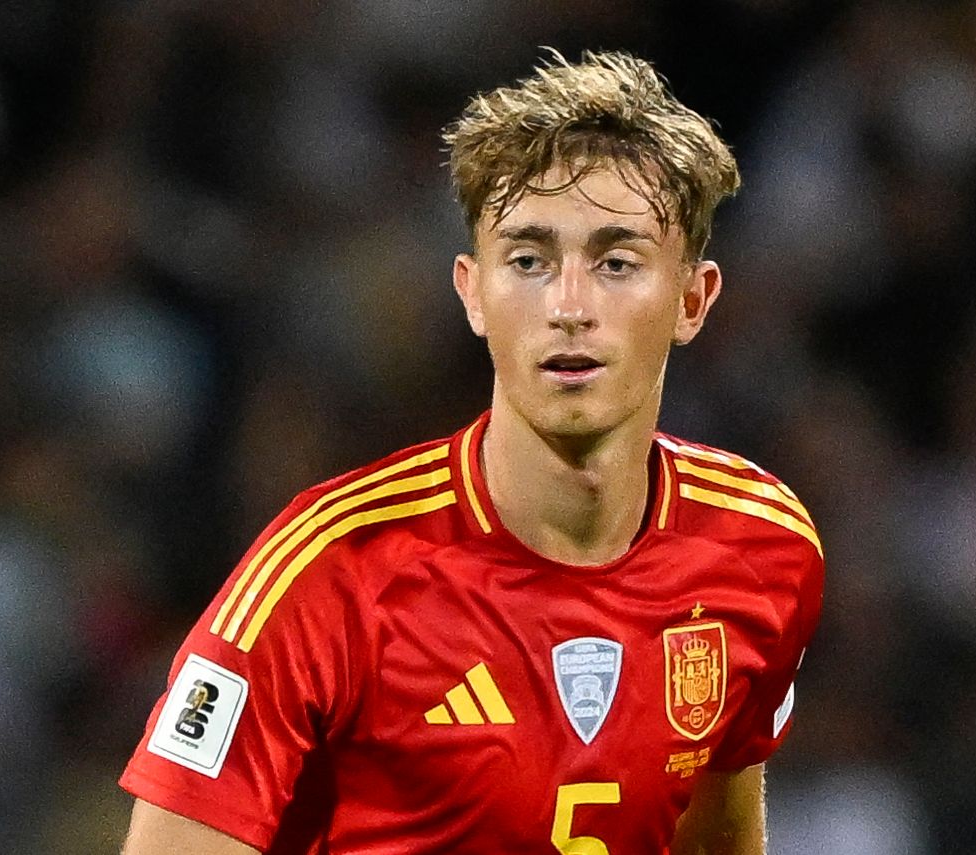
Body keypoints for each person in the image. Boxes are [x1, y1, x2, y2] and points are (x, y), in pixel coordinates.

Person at [118, 49, 825, 855]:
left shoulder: (761, 549)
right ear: (473, 292)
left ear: (693, 299)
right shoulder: (332, 573)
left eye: (616, 262)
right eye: (528, 261)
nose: (569, 306)